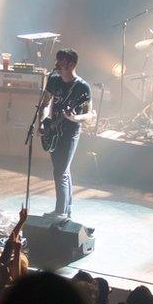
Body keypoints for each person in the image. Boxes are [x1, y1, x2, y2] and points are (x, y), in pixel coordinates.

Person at [38, 49, 94, 218]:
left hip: (70, 132)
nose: (57, 65)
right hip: (53, 130)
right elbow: (45, 102)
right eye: (57, 61)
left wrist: (75, 117)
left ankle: (60, 212)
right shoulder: (53, 79)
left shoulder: (82, 87)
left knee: (60, 171)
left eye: (61, 62)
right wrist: (42, 120)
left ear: (72, 64)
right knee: (63, 170)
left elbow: (89, 115)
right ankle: (67, 209)